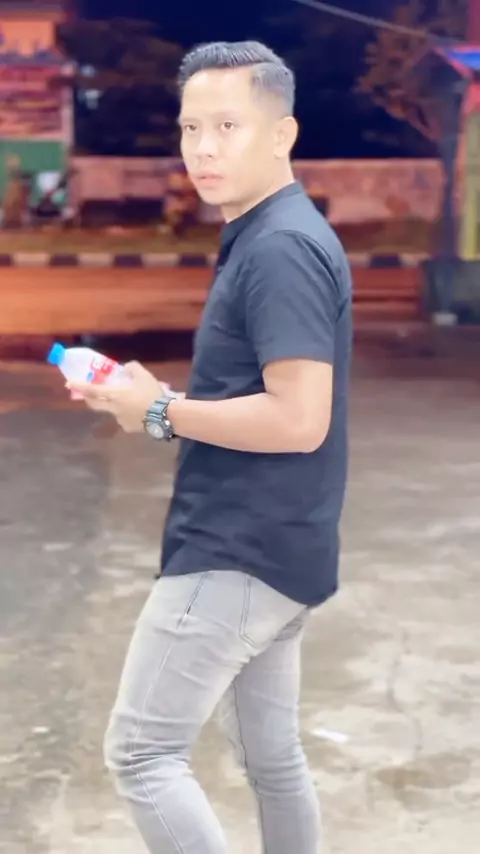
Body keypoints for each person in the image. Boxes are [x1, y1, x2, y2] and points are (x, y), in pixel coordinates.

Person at [69, 40, 352, 854]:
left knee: (142, 755)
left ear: (282, 133)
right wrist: (154, 403)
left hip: (237, 550)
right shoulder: (270, 232)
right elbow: (254, 395)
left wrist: (162, 411)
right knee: (272, 760)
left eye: (228, 125)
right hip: (285, 545)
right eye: (192, 127)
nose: (203, 148)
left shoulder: (280, 248)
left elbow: (300, 419)